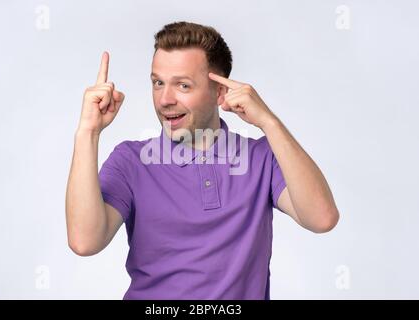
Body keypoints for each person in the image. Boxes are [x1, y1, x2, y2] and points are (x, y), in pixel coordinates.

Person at [65, 21, 340, 300]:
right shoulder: (130, 161)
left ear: (220, 92)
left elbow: (321, 218)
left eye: (183, 85)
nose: (164, 100)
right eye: (158, 83)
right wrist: (88, 132)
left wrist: (269, 122)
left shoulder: (262, 157)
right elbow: (85, 241)